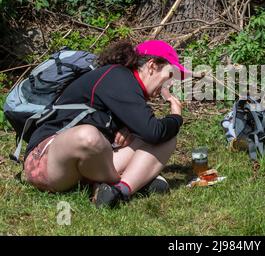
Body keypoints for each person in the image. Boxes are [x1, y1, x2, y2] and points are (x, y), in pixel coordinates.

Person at [23, 39, 188, 208]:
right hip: (46, 162)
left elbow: (151, 133)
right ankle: (131, 182)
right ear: (152, 66)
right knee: (87, 136)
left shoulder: (127, 85)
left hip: (79, 168)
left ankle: (119, 190)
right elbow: (153, 131)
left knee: (168, 139)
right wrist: (176, 116)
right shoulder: (118, 77)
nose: (170, 84)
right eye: (169, 75)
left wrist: (125, 130)